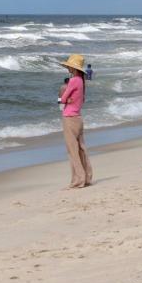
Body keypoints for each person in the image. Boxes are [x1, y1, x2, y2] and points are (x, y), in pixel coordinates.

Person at [60, 54, 92, 188]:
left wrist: (66, 99)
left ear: (73, 68)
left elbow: (62, 99)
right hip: (78, 117)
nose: (67, 67)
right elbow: (81, 100)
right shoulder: (81, 81)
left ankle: (78, 180)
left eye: (69, 66)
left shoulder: (73, 81)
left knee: (73, 151)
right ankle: (87, 177)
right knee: (81, 149)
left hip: (69, 118)